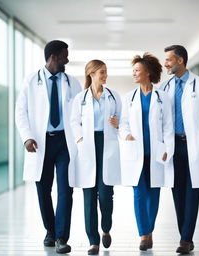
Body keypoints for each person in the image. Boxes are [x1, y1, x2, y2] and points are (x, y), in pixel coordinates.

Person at [15, 40, 81, 254]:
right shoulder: (31, 81)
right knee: (43, 189)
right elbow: (21, 112)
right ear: (53, 57)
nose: (67, 60)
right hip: (40, 142)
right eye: (64, 56)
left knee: (65, 189)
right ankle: (50, 231)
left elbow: (80, 113)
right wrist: (26, 137)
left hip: (64, 142)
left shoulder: (72, 82)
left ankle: (62, 236)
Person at [162, 45, 199, 254]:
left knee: (192, 191)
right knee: (177, 192)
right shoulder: (165, 87)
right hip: (173, 145)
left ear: (180, 60)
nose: (165, 63)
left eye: (168, 60)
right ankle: (185, 236)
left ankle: (185, 239)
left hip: (193, 144)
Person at [119, 53, 174, 251]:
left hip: (156, 152)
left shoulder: (163, 97)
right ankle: (144, 234)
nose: (134, 74)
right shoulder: (129, 98)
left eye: (137, 70)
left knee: (153, 194)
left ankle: (149, 230)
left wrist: (168, 147)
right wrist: (126, 135)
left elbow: (168, 124)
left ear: (148, 73)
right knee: (139, 194)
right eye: (133, 71)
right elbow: (123, 123)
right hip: (136, 153)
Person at [70, 60, 121, 255]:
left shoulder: (113, 97)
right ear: (91, 73)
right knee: (89, 195)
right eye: (102, 72)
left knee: (106, 194)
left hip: (106, 146)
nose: (105, 75)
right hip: (88, 147)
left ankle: (106, 227)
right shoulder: (80, 98)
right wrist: (81, 138)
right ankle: (93, 240)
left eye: (106, 72)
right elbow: (74, 122)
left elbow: (122, 121)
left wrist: (117, 124)